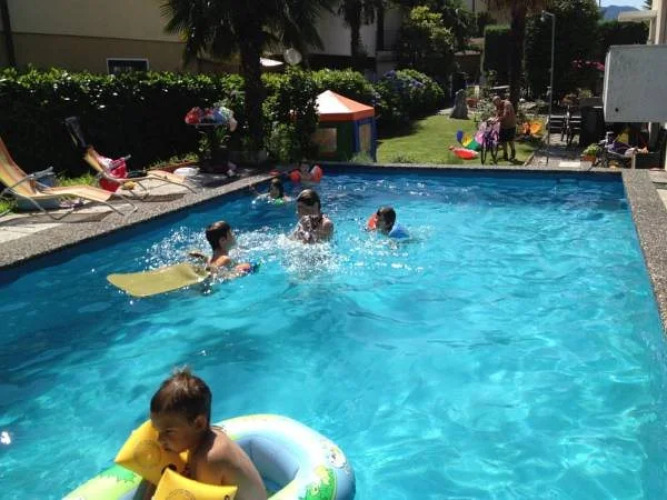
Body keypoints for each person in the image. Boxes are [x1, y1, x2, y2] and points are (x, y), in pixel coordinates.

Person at [149, 368, 267, 500]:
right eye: (158, 431)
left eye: (168, 432)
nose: (160, 439)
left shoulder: (210, 459)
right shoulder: (201, 441)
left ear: (199, 424)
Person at [189, 221, 256, 277]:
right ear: (223, 240)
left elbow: (206, 260)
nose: (234, 235)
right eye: (231, 233)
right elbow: (212, 269)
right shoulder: (225, 259)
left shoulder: (210, 259)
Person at [492, 95, 517, 161]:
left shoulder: (507, 104)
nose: (495, 105)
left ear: (499, 100)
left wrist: (497, 120)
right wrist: (495, 119)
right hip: (503, 125)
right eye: (494, 103)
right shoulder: (498, 105)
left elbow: (505, 115)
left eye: (495, 103)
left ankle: (513, 153)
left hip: (511, 125)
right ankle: (505, 154)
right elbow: (497, 113)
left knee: (510, 140)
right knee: (503, 141)